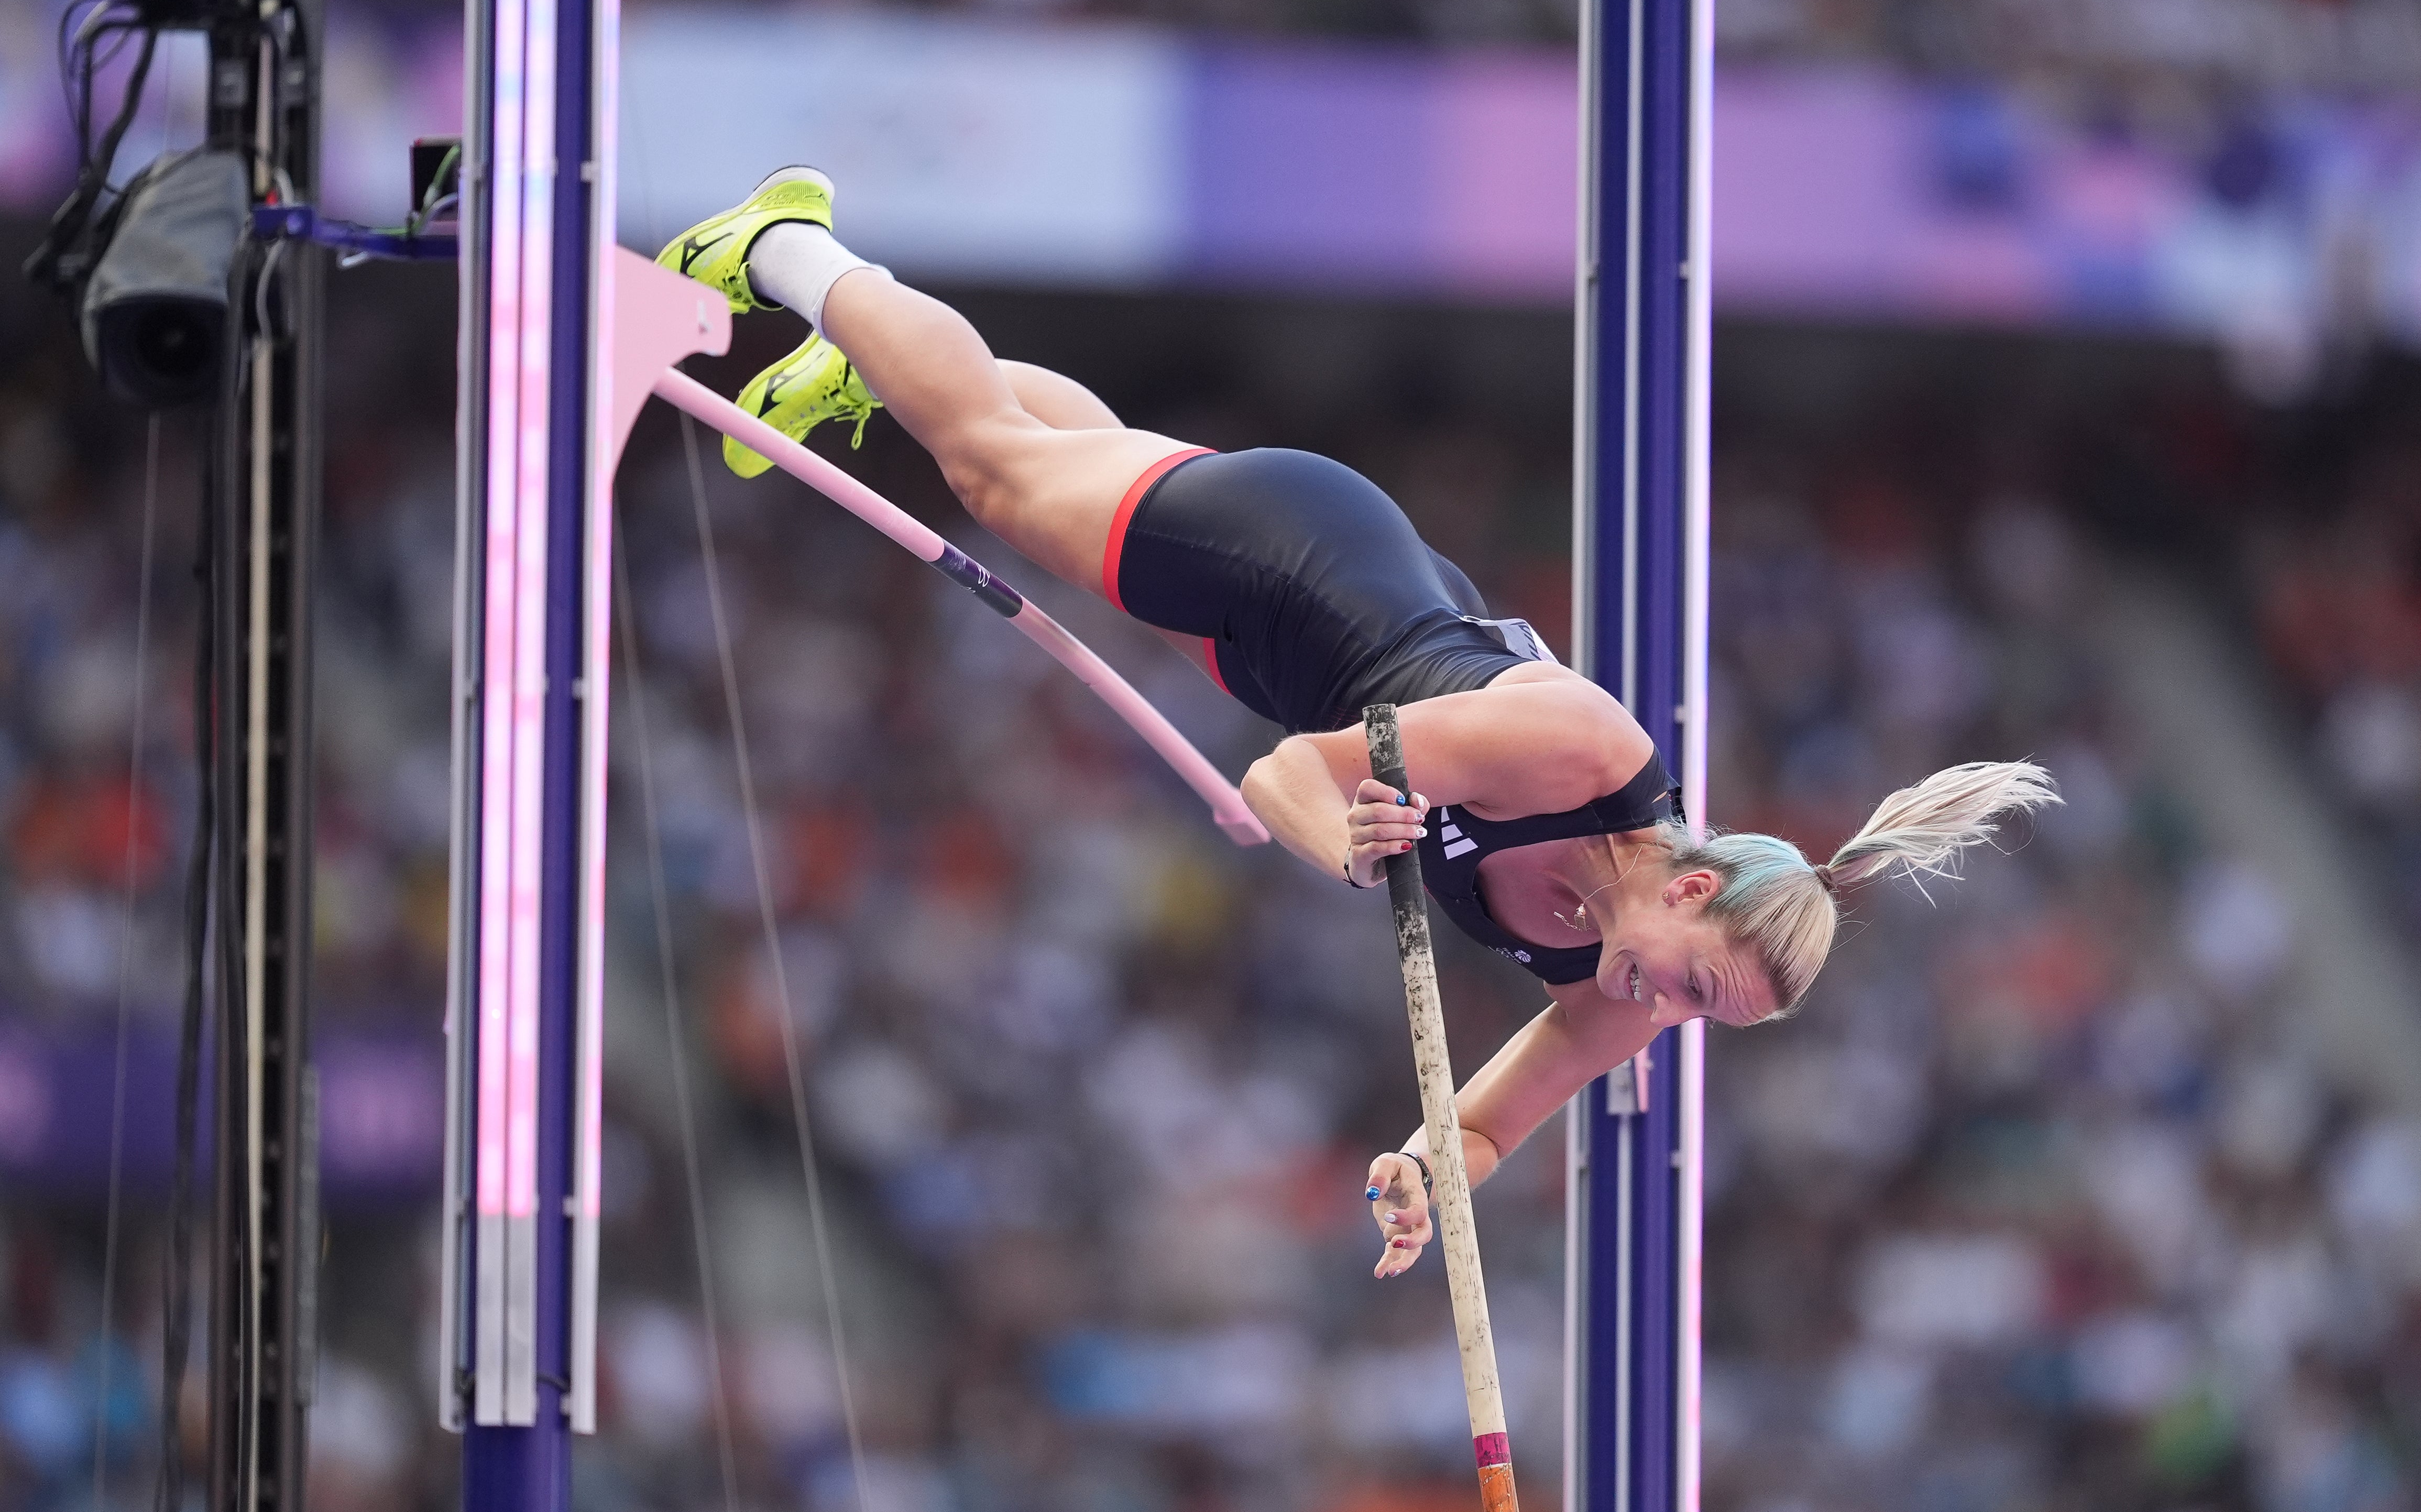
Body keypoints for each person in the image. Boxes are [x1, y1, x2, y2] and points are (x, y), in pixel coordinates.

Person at [660, 168, 2062, 1281]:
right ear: (1689, 887)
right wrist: (1341, 839)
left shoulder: (1620, 988)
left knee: (1058, 466)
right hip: (1304, 561)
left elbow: (1490, 1123)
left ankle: (869, 365)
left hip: (1297, 657)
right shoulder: (1579, 756)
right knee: (1002, 480)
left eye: (1703, 1022)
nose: (1666, 1016)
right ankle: (801, 253)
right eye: (1692, 984)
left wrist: (1419, 1172)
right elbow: (1284, 781)